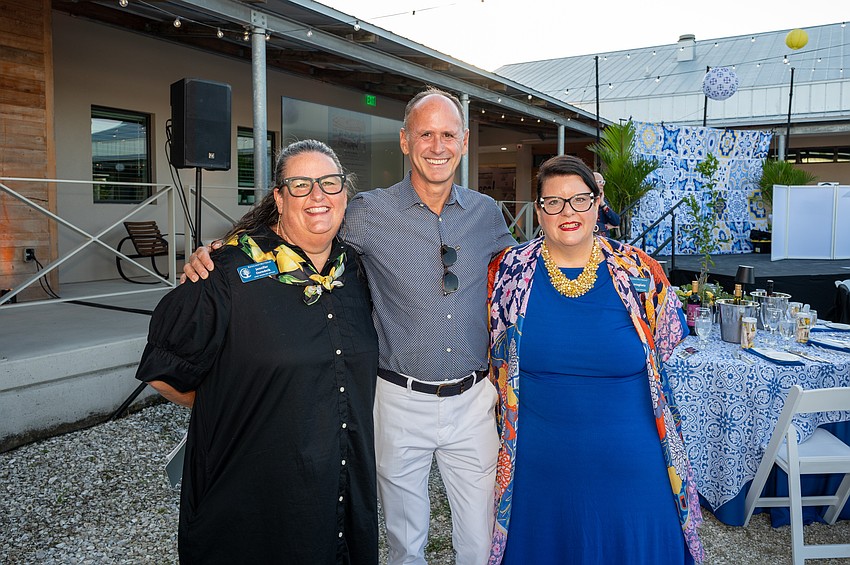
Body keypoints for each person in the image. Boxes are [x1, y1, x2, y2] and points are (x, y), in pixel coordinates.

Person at [182, 88, 516, 565]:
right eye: (426, 134)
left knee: (482, 541)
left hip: (472, 401)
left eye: (448, 135)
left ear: (463, 142)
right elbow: (297, 223)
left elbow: (521, 270)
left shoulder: (487, 213)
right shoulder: (366, 212)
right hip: (399, 402)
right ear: (405, 141)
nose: (437, 146)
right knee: (405, 543)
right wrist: (223, 249)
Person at [136, 140, 379, 563]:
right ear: (279, 199)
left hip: (338, 493)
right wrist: (230, 405)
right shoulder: (225, 271)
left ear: (345, 194)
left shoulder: (355, 270)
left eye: (329, 183)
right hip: (255, 506)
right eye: (301, 185)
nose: (318, 196)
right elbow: (163, 371)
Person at [487, 155, 704, 564]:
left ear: (597, 202)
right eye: (553, 202)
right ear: (538, 210)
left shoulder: (639, 270)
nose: (568, 212)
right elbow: (492, 349)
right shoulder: (508, 272)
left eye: (579, 200)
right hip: (538, 470)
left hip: (632, 467)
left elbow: (669, 343)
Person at [593, 171, 621, 238]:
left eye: (603, 182)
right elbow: (588, 224)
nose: (602, 184)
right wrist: (606, 227)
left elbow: (616, 221)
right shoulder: (586, 200)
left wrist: (602, 202)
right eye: (599, 182)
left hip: (604, 242)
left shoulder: (604, 202)